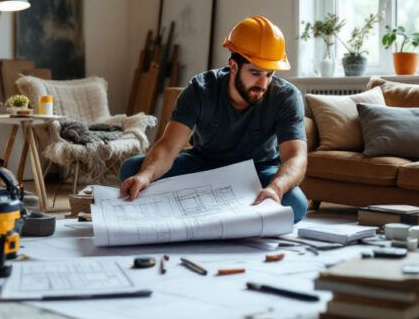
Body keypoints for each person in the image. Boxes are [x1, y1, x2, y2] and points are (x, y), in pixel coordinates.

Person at [119, 15, 309, 222]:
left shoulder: (286, 97)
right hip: (203, 165)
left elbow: (295, 157)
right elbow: (168, 146)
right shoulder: (200, 90)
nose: (263, 83)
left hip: (258, 171)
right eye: (255, 73)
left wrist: (276, 187)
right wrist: (144, 176)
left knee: (296, 204)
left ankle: (216, 208)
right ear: (234, 66)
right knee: (132, 169)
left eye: (269, 74)